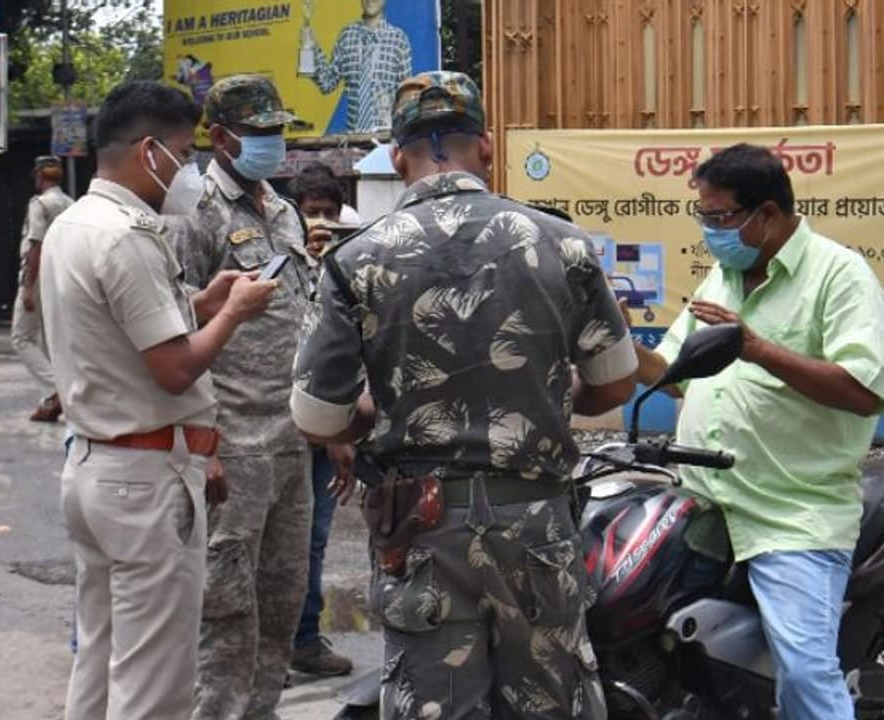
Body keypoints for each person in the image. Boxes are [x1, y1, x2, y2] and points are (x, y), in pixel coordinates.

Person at [290, 71, 636, 719]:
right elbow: (614, 381)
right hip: (536, 522)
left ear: (398, 157)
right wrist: (544, 394)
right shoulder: (561, 242)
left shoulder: (354, 260)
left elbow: (318, 417)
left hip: (420, 531)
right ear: (487, 143)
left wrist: (387, 410)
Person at [624, 143, 884, 719]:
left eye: (719, 217)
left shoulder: (840, 274)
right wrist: (613, 344)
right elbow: (674, 375)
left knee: (803, 671)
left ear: (767, 214)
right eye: (702, 216)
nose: (709, 231)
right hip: (703, 502)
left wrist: (757, 350)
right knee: (637, 627)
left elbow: (862, 391)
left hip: (791, 512)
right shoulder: (721, 280)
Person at [40, 79, 280, 720]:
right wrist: (235, 312)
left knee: (101, 655)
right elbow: (175, 368)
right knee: (156, 685)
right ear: (150, 151)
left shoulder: (74, 224)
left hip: (96, 468)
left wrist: (204, 302)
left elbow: (131, 331)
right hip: (144, 480)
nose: (191, 169)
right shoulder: (128, 237)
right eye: (184, 151)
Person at [167, 74, 335, 720]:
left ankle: (258, 710)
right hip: (231, 442)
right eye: (260, 133)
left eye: (277, 131)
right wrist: (199, 443)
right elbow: (176, 335)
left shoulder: (283, 209)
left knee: (283, 593)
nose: (273, 143)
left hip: (292, 440)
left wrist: (332, 433)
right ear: (220, 137)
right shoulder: (194, 215)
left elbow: (306, 314)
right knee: (227, 604)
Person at [284, 164, 356, 678]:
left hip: (325, 429)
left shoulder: (347, 266)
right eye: (313, 214)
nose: (322, 224)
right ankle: (268, 646)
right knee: (272, 542)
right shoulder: (278, 263)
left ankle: (304, 640)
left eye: (330, 214)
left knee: (313, 540)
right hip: (276, 429)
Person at [12, 155, 74, 422]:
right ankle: (60, 397)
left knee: (21, 337)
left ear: (39, 176)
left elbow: (36, 246)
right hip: (63, 275)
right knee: (52, 339)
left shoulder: (40, 204)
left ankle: (54, 391)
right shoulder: (71, 203)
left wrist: (28, 287)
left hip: (39, 276)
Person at [304, 0, 412, 133]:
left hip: (386, 139)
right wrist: (310, 48)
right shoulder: (347, 36)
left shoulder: (399, 39)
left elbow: (406, 95)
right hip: (353, 139)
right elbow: (327, 83)